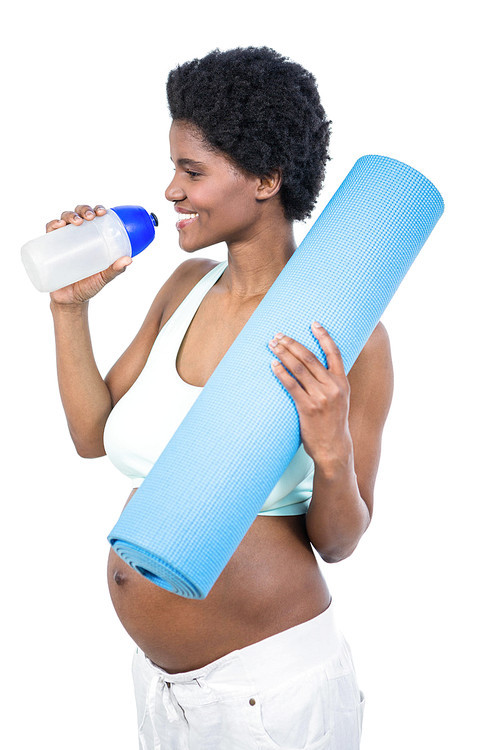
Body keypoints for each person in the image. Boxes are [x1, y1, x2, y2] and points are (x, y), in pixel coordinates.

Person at [47, 47, 394, 750]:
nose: (171, 192)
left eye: (193, 171)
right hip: (164, 689)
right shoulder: (183, 288)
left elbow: (340, 541)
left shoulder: (348, 331)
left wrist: (331, 447)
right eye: (175, 167)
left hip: (273, 691)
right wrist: (69, 310)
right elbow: (92, 435)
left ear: (266, 179)